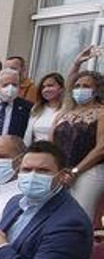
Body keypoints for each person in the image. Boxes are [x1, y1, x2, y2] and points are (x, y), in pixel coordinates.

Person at [52, 69, 104, 214]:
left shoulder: (101, 112)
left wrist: (75, 171)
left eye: (86, 86)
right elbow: (50, 144)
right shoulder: (63, 113)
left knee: (79, 213)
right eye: (77, 86)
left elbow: (101, 148)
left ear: (97, 90)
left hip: (89, 171)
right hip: (60, 171)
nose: (80, 89)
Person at [24, 72, 67, 144]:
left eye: (50, 86)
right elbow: (28, 136)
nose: (46, 89)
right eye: (43, 87)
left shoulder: (67, 109)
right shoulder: (36, 108)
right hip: (36, 151)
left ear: (61, 88)